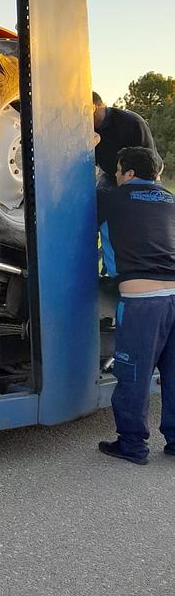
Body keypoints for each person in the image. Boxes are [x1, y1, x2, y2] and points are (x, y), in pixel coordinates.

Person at [97, 146, 175, 464]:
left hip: (143, 301)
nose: (116, 176)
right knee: (173, 373)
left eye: (118, 171)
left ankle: (132, 445)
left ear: (128, 173)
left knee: (133, 373)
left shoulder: (110, 199)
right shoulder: (170, 199)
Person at [93, 91, 157, 187]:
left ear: (93, 107)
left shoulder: (132, 123)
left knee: (142, 199)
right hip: (112, 174)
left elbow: (147, 161)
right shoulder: (86, 129)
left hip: (140, 176)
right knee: (101, 198)